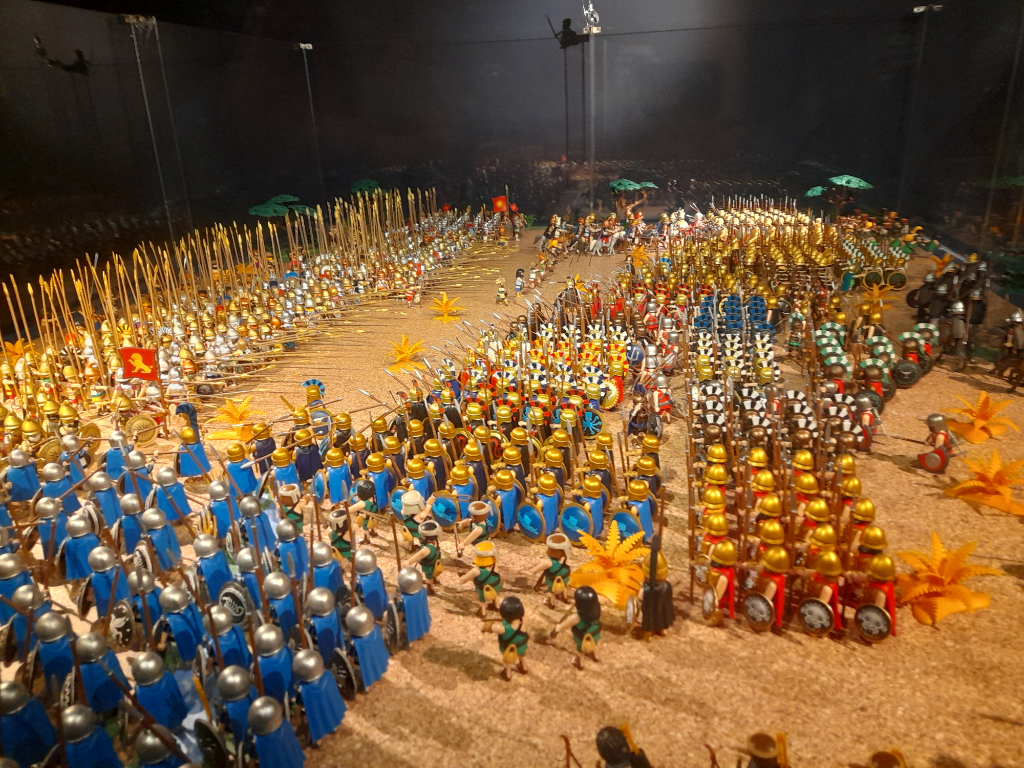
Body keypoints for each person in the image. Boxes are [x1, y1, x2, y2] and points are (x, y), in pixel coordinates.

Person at [550, 585, 601, 669]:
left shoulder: (576, 617)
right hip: (595, 634)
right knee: (593, 643)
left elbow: (565, 624)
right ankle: (595, 656)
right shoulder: (597, 610)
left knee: (580, 651)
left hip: (582, 638)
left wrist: (557, 629)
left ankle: (580, 664)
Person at [482, 596, 528, 681]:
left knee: (508, 662)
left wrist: (488, 626)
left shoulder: (503, 629)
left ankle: (507, 674)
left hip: (509, 650)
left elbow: (492, 628)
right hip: (522, 646)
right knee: (522, 655)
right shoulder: (523, 621)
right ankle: (524, 668)